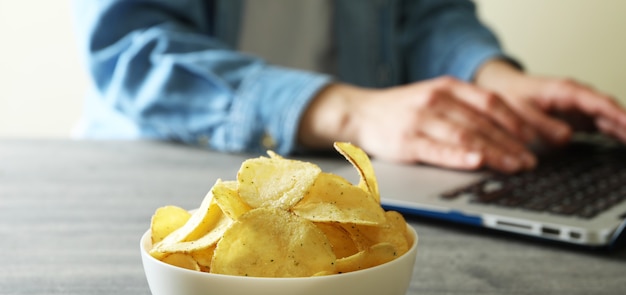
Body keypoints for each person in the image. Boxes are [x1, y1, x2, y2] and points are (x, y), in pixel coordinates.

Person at [72, 0, 626, 173]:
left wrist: (491, 82)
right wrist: (349, 113)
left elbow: (430, 15)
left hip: (354, 171)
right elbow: (131, 47)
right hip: (157, 164)